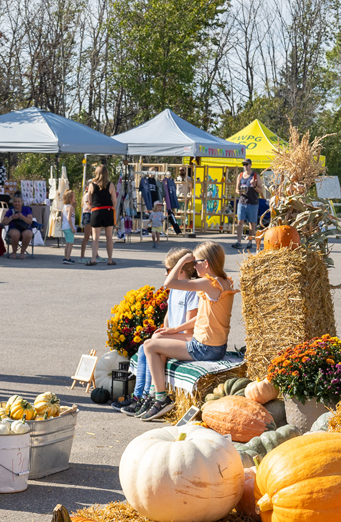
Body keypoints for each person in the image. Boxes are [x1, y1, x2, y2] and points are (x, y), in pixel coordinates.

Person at [138, 241, 237, 421]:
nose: (194, 266)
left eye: (195, 262)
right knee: (158, 337)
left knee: (150, 346)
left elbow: (169, 283)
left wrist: (183, 259)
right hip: (215, 345)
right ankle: (154, 392)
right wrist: (175, 329)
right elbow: (203, 317)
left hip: (204, 348)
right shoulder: (224, 282)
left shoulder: (208, 283)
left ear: (206, 264)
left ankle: (160, 398)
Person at [116, 247, 200, 416]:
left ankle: (152, 395)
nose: (165, 274)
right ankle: (139, 396)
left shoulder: (191, 292)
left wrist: (168, 334)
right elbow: (169, 314)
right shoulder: (175, 289)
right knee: (143, 348)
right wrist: (164, 329)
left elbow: (189, 327)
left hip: (184, 338)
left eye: (168, 270)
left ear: (181, 270)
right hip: (174, 335)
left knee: (152, 346)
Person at [84, 163, 118, 266]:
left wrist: (93, 208)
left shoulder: (91, 185)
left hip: (96, 211)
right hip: (108, 211)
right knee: (109, 237)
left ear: (96, 173)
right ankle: (110, 259)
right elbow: (114, 201)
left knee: (95, 237)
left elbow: (89, 201)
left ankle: (93, 259)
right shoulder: (111, 185)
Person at [233, 159, 261, 250]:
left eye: (246, 164)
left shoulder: (255, 176)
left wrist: (254, 185)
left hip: (252, 203)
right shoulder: (240, 175)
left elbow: (260, 190)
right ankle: (238, 242)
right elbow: (236, 189)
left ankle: (250, 242)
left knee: (251, 223)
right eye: (244, 164)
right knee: (240, 221)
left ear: (250, 165)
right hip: (242, 202)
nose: (245, 166)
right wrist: (238, 192)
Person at [5, 193, 35, 259]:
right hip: (14, 227)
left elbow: (30, 221)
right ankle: (14, 252)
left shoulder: (27, 210)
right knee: (15, 234)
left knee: (28, 234)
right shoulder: (10, 211)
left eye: (19, 202)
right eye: (15, 202)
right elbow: (4, 222)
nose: (17, 203)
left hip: (25, 228)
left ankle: (22, 252)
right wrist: (11, 218)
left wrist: (22, 216)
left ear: (21, 202)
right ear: (13, 203)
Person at [60, 189, 77, 265]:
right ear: (70, 198)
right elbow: (69, 218)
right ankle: (67, 258)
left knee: (67, 243)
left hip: (64, 227)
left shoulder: (64, 207)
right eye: (73, 197)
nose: (75, 199)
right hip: (69, 227)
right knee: (70, 243)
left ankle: (66, 257)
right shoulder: (70, 207)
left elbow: (62, 218)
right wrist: (72, 228)